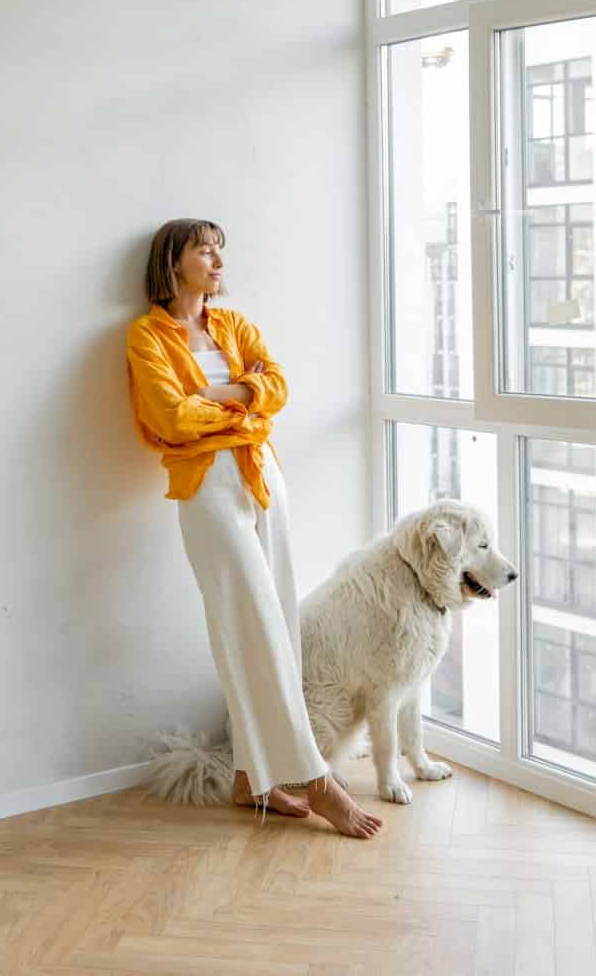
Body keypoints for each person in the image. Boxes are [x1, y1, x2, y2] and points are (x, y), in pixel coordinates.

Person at [126, 219, 384, 838]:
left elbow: (277, 386)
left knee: (279, 625)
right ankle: (313, 778)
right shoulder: (148, 336)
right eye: (203, 249)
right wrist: (243, 402)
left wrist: (225, 399)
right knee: (251, 626)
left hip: (262, 474)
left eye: (219, 249)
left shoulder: (233, 325)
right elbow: (170, 415)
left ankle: (250, 775)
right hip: (207, 488)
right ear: (173, 262)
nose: (216, 259)